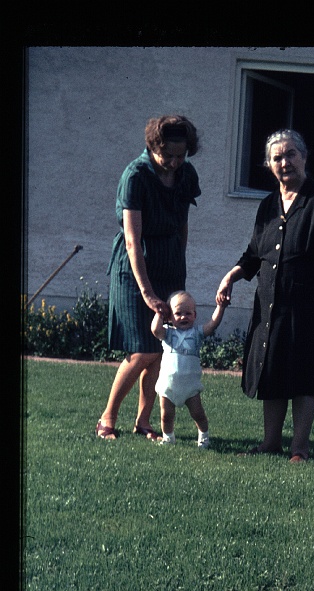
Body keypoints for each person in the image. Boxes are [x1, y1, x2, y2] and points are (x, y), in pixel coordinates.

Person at [217, 129, 314, 462]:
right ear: (268, 164)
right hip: (270, 305)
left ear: (304, 158)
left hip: (311, 305)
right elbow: (253, 254)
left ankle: (300, 448)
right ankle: (270, 442)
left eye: (291, 154)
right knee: (271, 371)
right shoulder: (267, 205)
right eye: (277, 157)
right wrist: (231, 276)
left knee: (304, 377)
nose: (284, 162)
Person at [96, 114, 201, 440]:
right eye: (167, 154)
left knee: (161, 349)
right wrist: (146, 291)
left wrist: (177, 269)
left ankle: (144, 422)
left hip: (169, 264)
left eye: (180, 155)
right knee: (142, 350)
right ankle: (107, 417)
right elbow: (132, 238)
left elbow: (182, 224)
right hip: (134, 267)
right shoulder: (136, 176)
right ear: (153, 146)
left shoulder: (185, 175)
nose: (173, 162)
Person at [151, 290, 228, 447]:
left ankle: (204, 438)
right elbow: (155, 330)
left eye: (188, 313)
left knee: (198, 414)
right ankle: (168, 438)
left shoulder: (197, 333)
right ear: (170, 317)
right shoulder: (167, 333)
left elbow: (212, 324)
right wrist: (159, 314)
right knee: (166, 415)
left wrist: (220, 307)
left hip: (190, 387)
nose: (183, 317)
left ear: (195, 315)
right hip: (168, 385)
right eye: (178, 313)